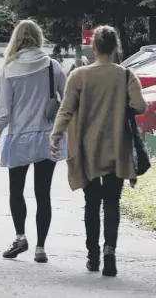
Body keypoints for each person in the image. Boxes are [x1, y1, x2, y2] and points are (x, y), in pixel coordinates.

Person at [50, 25, 147, 277]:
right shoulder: (126, 75)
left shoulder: (79, 76)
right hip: (117, 148)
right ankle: (110, 251)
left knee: (91, 203)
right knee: (112, 203)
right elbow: (140, 105)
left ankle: (92, 256)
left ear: (93, 48)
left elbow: (66, 110)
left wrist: (56, 135)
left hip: (87, 150)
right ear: (116, 48)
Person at [0, 20, 67, 264]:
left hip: (19, 137)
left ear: (16, 39)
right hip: (47, 136)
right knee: (43, 193)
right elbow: (68, 98)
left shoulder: (9, 69)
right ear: (38, 38)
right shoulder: (52, 66)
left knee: (16, 190)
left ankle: (20, 236)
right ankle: (41, 247)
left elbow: (3, 112)